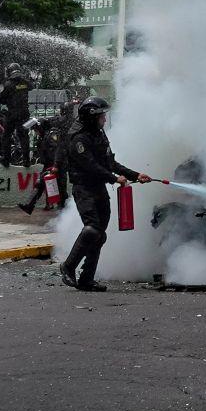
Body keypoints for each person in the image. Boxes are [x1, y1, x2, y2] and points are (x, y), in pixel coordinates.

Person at [59, 97, 151, 292]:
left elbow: (110, 163)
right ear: (91, 117)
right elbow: (90, 166)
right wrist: (114, 178)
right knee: (92, 229)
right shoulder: (79, 139)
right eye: (101, 116)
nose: (105, 119)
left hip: (99, 188)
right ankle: (68, 266)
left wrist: (135, 175)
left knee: (99, 235)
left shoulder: (98, 134)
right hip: (85, 189)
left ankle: (86, 279)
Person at [0, 65, 35, 166]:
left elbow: (2, 99)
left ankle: (6, 159)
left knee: (6, 135)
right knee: (24, 135)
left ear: (10, 71)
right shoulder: (25, 82)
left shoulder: (9, 83)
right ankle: (26, 160)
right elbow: (31, 86)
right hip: (24, 113)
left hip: (13, 113)